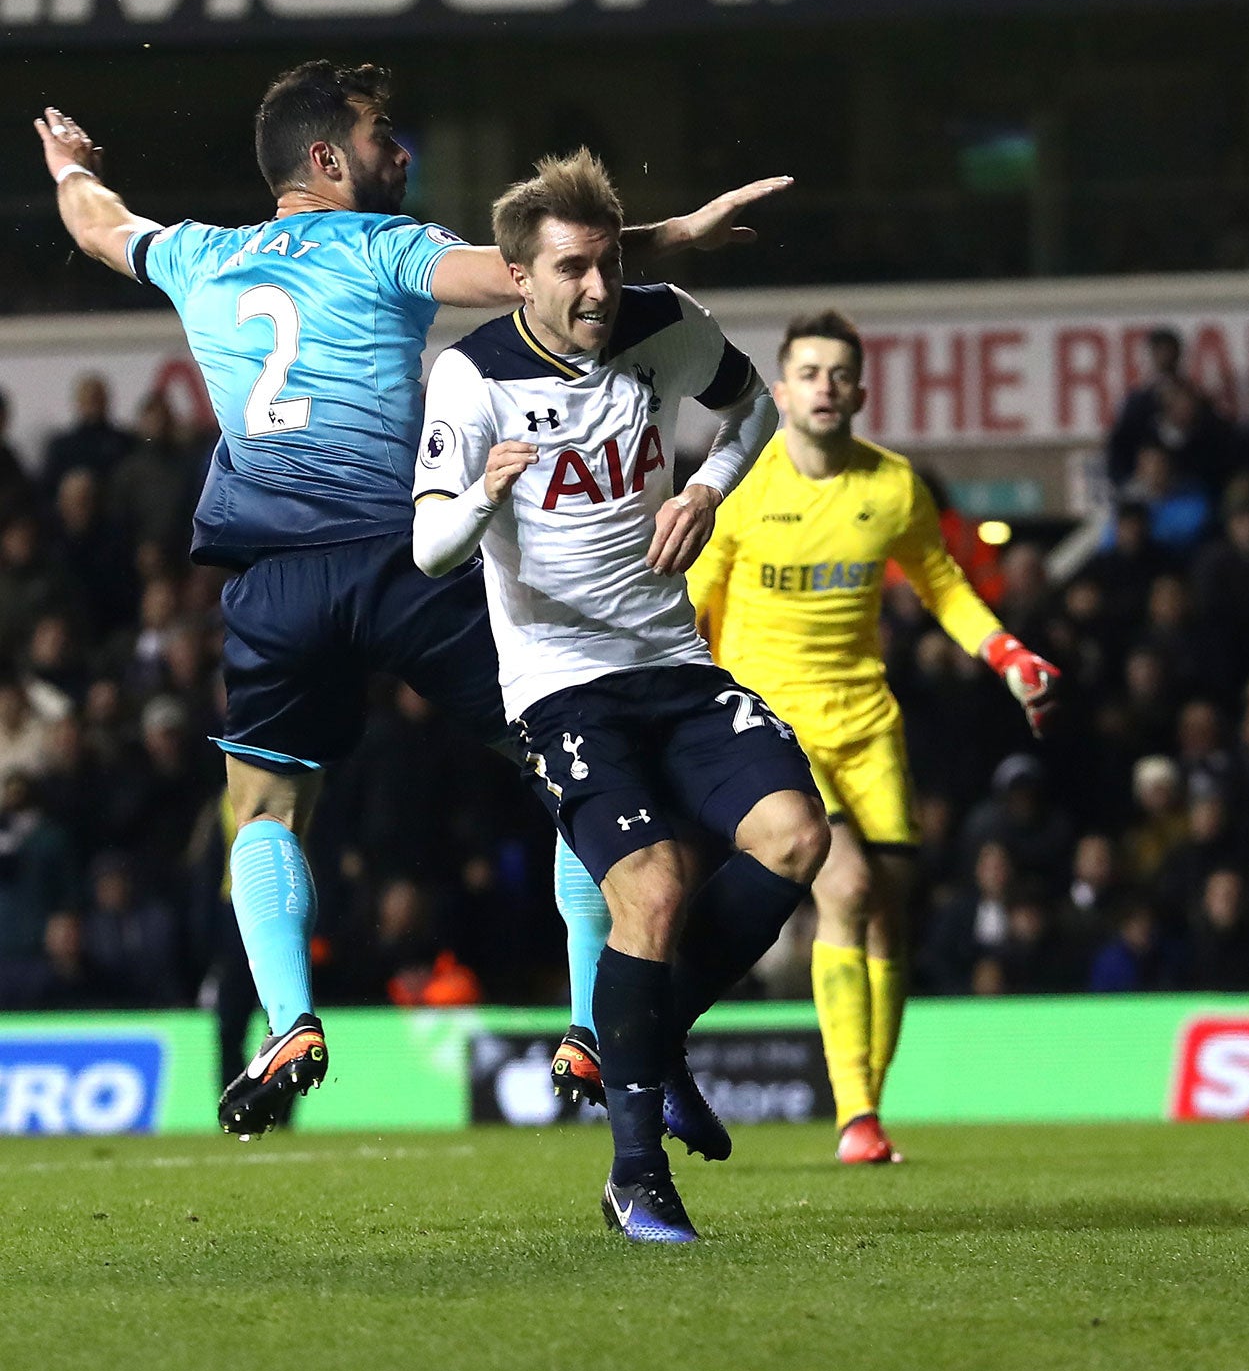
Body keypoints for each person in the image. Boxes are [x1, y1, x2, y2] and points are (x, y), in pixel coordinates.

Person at [35, 69, 785, 1138]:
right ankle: (588, 1024)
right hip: (411, 559)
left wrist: (70, 167)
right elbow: (541, 275)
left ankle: (288, 1019)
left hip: (274, 586)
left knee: (262, 806)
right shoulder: (387, 249)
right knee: (572, 760)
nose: (404, 153)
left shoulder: (200, 254)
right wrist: (684, 234)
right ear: (327, 161)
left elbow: (101, 226)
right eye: (383, 137)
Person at [414, 148, 824, 1242]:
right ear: (518, 276)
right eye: (573, 272)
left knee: (794, 837)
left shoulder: (663, 320)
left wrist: (704, 487)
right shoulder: (472, 376)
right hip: (559, 687)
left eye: (604, 264)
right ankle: (635, 1174)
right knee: (648, 887)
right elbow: (426, 548)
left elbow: (753, 413)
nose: (598, 291)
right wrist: (481, 498)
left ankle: (652, 1031)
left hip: (674, 666)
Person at [687, 308, 1059, 1164]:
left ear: (858, 389)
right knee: (845, 890)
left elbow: (942, 584)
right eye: (807, 373)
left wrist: (1007, 655)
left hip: (867, 727)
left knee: (890, 918)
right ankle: (854, 1116)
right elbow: (692, 610)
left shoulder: (891, 485)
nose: (823, 386)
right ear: (780, 392)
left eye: (837, 373)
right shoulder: (739, 487)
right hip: (771, 730)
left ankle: (868, 1107)